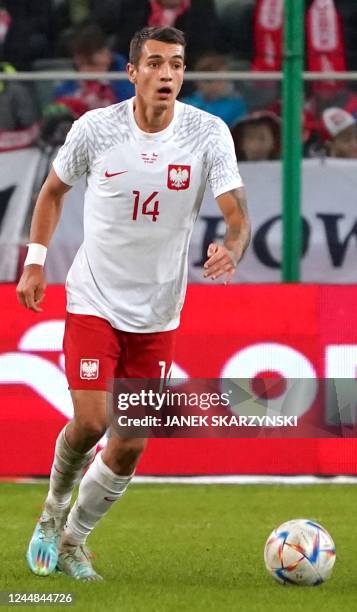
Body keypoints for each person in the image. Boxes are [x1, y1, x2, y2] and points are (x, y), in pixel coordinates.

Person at [16, 26, 250, 582]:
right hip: (94, 296)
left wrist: (232, 247)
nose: (167, 74)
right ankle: (52, 510)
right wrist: (34, 260)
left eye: (176, 65)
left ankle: (74, 539)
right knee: (92, 421)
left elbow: (237, 214)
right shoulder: (96, 130)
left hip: (158, 310)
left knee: (131, 443)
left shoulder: (208, 133)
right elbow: (52, 192)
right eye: (155, 64)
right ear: (133, 72)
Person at [54, 24, 134, 112]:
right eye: (81, 65)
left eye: (91, 65)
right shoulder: (71, 83)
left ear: (106, 54)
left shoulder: (122, 74)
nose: (86, 71)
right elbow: (60, 98)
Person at [181, 53, 247, 127]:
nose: (227, 83)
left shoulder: (236, 105)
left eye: (226, 79)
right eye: (220, 80)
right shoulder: (186, 103)